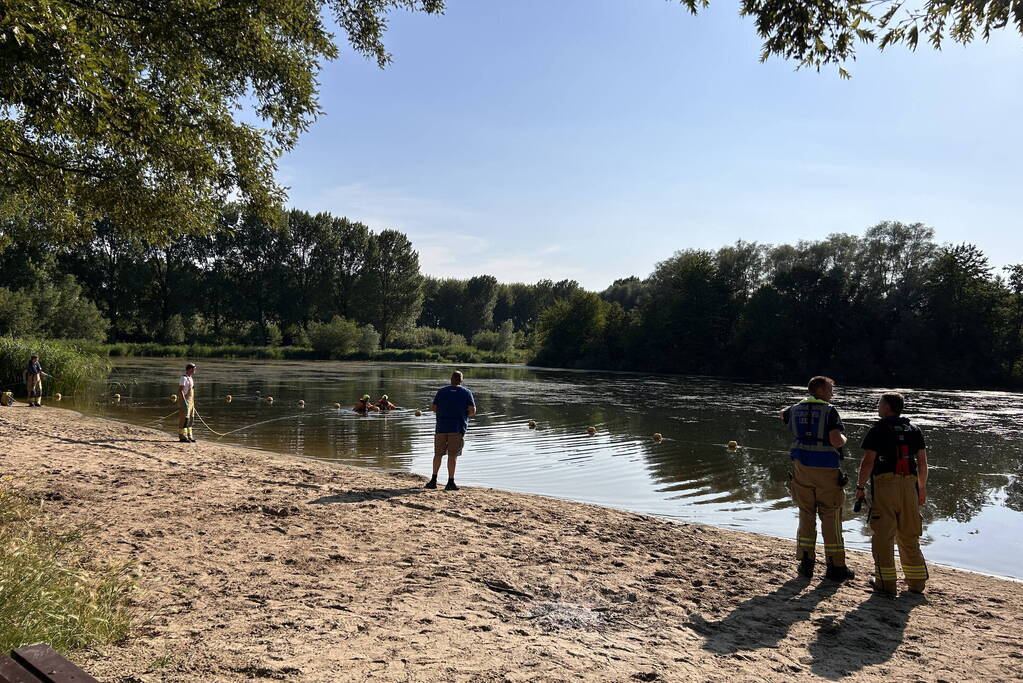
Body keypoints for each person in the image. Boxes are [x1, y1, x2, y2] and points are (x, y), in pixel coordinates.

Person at [781, 376, 855, 581]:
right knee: (830, 515)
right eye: (830, 388)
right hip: (826, 469)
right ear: (820, 390)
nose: (832, 392)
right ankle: (836, 567)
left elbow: (783, 414)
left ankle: (806, 564)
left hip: (801, 468)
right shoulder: (829, 410)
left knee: (806, 513)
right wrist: (844, 439)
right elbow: (835, 440)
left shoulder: (795, 408)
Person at [855, 392, 929, 595]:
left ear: (887, 407)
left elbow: (868, 463)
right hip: (910, 486)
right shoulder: (914, 429)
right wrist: (921, 489)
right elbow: (922, 464)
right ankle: (916, 583)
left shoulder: (877, 429)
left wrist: (860, 488)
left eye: (880, 403)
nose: (878, 407)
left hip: (885, 485)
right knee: (909, 534)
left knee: (883, 535)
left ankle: (885, 584)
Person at [425, 370, 476, 491]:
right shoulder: (467, 392)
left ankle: (433, 480)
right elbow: (473, 411)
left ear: (451, 379)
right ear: (461, 380)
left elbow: (433, 408)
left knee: (438, 454)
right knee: (452, 456)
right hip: (457, 428)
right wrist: (462, 413)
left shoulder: (441, 391)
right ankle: (450, 482)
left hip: (441, 427)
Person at [178, 363, 197, 443]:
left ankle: (189, 436)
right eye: (194, 368)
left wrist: (192, 403)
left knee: (191, 418)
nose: (195, 370)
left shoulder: (190, 378)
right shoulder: (183, 378)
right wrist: (184, 402)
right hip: (185, 400)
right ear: (189, 369)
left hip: (191, 402)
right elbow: (180, 390)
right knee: (185, 419)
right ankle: (182, 436)